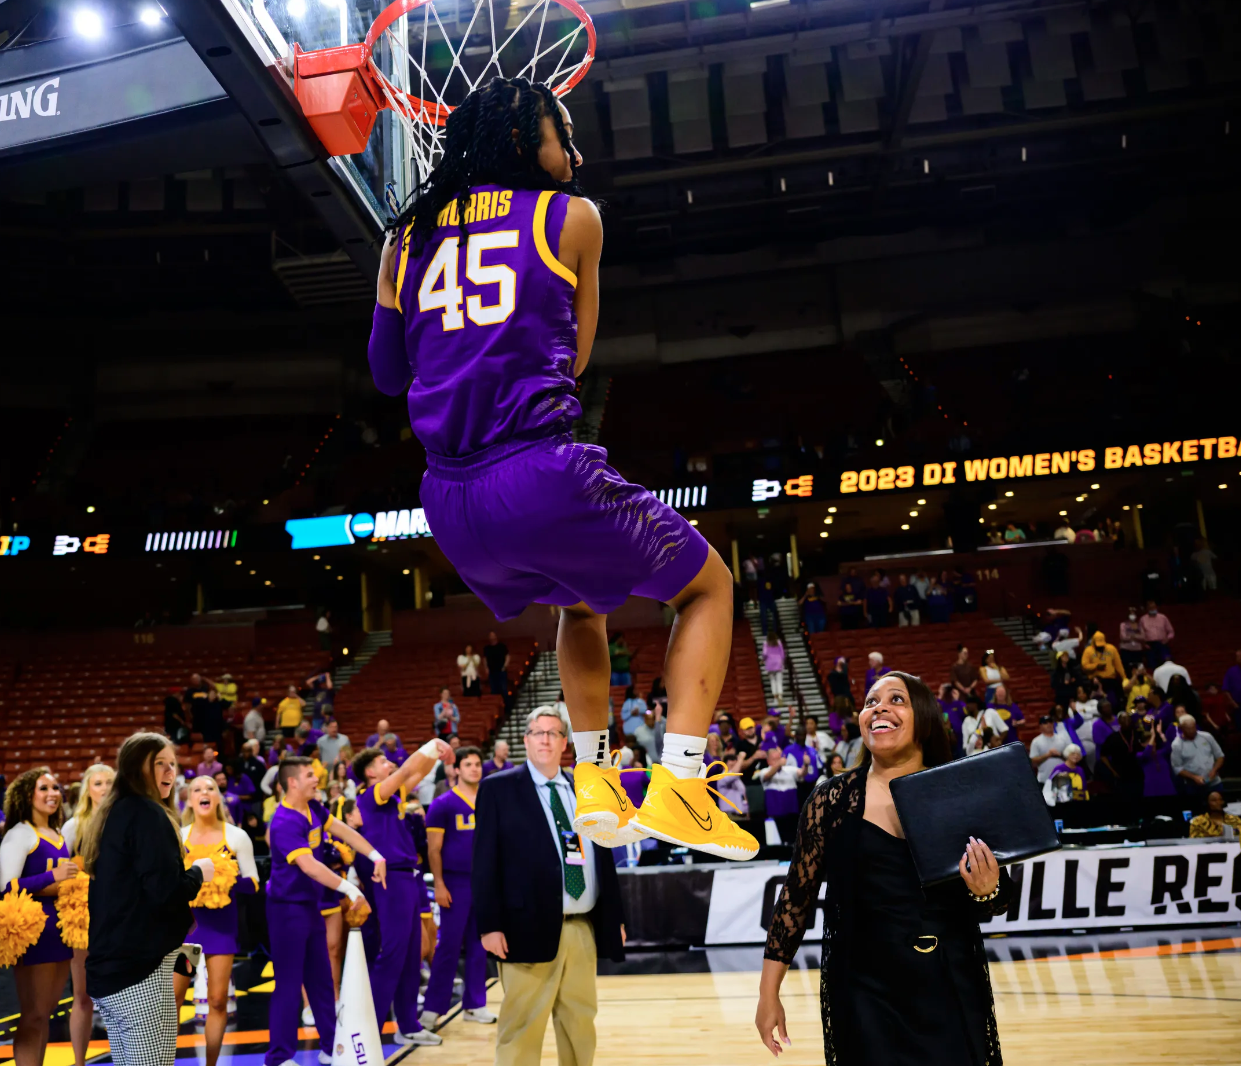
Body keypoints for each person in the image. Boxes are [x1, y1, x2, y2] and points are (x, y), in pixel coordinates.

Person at [370, 78, 748, 861]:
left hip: (449, 501)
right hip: (537, 471)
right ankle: (680, 787)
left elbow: (385, 372)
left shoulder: (402, 238)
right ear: (520, 141)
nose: (573, 152)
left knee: (581, 604)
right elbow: (572, 358)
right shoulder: (573, 218)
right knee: (709, 586)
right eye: (561, 134)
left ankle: (598, 785)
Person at [755, 672, 1012, 1062]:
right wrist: (767, 994)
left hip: (948, 981)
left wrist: (987, 888)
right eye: (871, 701)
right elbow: (795, 900)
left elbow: (996, 900)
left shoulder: (957, 792)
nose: (880, 708)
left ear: (923, 716)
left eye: (896, 700)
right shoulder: (831, 800)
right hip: (863, 990)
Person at [473, 708, 625, 1066]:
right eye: (537, 732)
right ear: (525, 740)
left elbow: (604, 858)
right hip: (524, 927)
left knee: (580, 1023)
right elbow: (483, 863)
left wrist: (613, 917)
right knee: (522, 1027)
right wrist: (490, 925)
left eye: (553, 733)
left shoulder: (584, 787)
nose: (544, 739)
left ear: (564, 743)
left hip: (582, 927)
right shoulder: (498, 789)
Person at [77, 734, 216, 1066]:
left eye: (172, 764)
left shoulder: (112, 813)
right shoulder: (147, 813)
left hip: (111, 970)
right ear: (135, 767)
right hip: (140, 972)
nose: (169, 771)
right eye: (159, 763)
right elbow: (165, 893)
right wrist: (199, 873)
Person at [266, 755, 385, 1066]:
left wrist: (375, 855)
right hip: (286, 910)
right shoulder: (282, 822)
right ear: (292, 782)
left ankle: (332, 1047)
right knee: (289, 985)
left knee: (321, 980)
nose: (316, 778)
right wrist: (350, 888)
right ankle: (278, 1057)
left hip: (311, 907)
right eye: (309, 774)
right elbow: (310, 867)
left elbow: (344, 831)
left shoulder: (313, 807)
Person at [349, 737, 455, 1045]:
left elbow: (414, 774)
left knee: (412, 954)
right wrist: (432, 745)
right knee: (393, 952)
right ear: (370, 772)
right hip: (390, 879)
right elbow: (407, 769)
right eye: (382, 762)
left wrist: (436, 756)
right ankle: (370, 1027)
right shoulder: (371, 795)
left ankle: (408, 1025)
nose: (389, 764)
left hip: (409, 877)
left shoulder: (394, 797)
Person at [0, 769, 78, 1066]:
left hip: (61, 929)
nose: (52, 793)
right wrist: (52, 876)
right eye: (43, 788)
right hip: (34, 931)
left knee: (46, 1013)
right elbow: (6, 888)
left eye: (55, 787)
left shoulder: (56, 833)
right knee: (33, 1014)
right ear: (26, 795)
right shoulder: (19, 833)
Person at [179, 776, 259, 1066]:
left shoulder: (237, 836)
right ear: (189, 799)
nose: (204, 792)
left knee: (216, 1000)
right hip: (185, 933)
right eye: (197, 789)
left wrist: (227, 879)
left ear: (218, 797)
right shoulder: (179, 835)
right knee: (172, 1001)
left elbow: (254, 882)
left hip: (221, 931)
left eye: (210, 788)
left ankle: (211, 1064)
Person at [421, 747, 495, 1028]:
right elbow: (434, 850)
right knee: (448, 947)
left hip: (484, 881)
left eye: (478, 764)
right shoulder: (442, 804)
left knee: (480, 945)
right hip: (454, 881)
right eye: (468, 764)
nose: (475, 769)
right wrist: (439, 884)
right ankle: (432, 1009)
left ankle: (475, 1005)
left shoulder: (489, 801)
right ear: (456, 769)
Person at [60, 763, 112, 1066]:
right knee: (81, 994)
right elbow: (60, 871)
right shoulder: (74, 826)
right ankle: (79, 1062)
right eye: (97, 783)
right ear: (87, 789)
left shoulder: (126, 820)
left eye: (108, 782)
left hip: (119, 915)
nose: (103, 788)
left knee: (119, 992)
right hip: (82, 917)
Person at [1171, 715, 1225, 797]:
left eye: (1193, 727)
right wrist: (1194, 777)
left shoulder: (1207, 736)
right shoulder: (1177, 745)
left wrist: (1214, 770)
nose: (1192, 731)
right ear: (1181, 728)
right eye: (1188, 729)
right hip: (1193, 787)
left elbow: (1220, 756)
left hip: (1215, 783)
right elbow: (1177, 768)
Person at [1117, 609, 1147, 673]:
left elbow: (1143, 637)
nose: (1132, 616)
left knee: (1139, 668)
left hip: (1137, 650)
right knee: (1126, 668)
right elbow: (1123, 637)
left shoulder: (1139, 625)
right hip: (1126, 650)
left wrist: (1132, 636)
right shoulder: (1123, 624)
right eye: (1131, 614)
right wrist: (1136, 636)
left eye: (1134, 614)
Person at [484, 631, 511, 704]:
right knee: (494, 690)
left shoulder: (502, 646)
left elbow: (507, 656)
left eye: (493, 635)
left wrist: (505, 666)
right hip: (492, 671)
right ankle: (496, 706)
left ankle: (507, 706)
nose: (492, 637)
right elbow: (485, 659)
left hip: (501, 671)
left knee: (504, 688)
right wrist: (486, 668)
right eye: (490, 636)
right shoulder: (487, 648)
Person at [763, 632, 788, 706]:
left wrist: (763, 659)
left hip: (770, 663)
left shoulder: (766, 643)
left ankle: (775, 699)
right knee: (779, 681)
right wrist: (782, 661)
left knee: (772, 681)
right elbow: (782, 654)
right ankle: (780, 697)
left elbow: (765, 654)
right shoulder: (779, 642)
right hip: (778, 663)